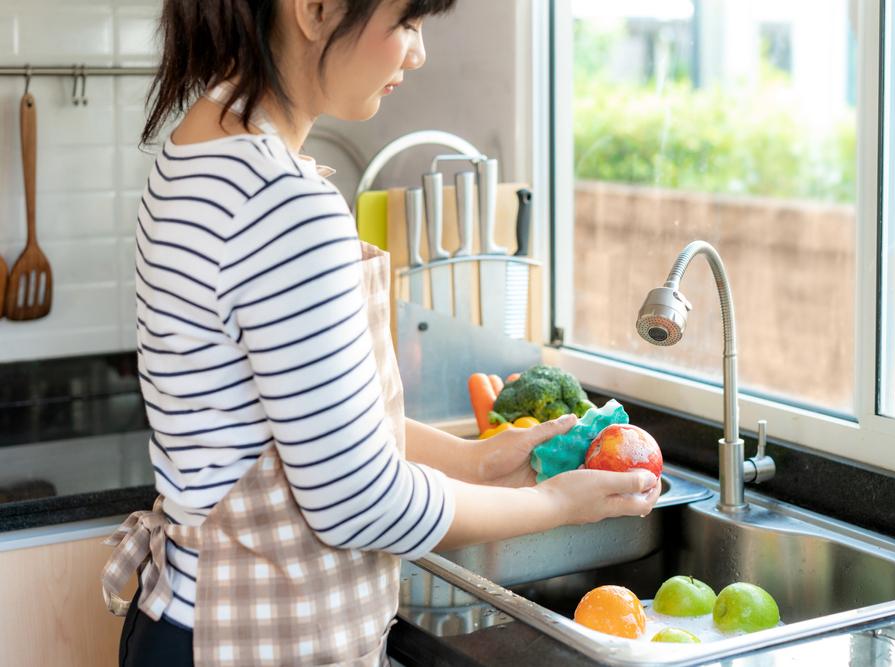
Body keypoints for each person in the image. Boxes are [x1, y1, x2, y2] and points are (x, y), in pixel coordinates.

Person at [101, 1, 661, 665]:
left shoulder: (197, 155)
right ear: (315, 10)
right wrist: (555, 503)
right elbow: (360, 503)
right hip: (250, 643)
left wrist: (477, 462)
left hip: (184, 625)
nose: (418, 53)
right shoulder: (284, 204)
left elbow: (306, 430)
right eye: (408, 23)